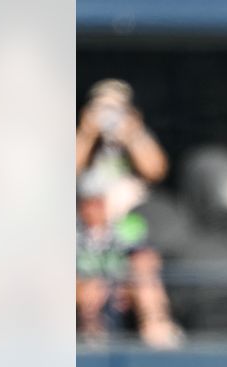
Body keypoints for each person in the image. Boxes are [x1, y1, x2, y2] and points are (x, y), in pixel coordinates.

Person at [76, 171, 182, 349]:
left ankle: (158, 333)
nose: (94, 208)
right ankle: (92, 342)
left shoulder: (127, 226)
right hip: (84, 291)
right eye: (88, 202)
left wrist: (120, 285)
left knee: (145, 282)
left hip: (121, 287)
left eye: (98, 201)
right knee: (88, 290)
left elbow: (146, 259)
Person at [76, 78, 169, 222]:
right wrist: (87, 134)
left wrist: (132, 137)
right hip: (90, 218)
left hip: (131, 219)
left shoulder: (137, 134)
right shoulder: (84, 136)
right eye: (102, 108)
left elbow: (156, 172)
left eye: (116, 109)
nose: (109, 116)